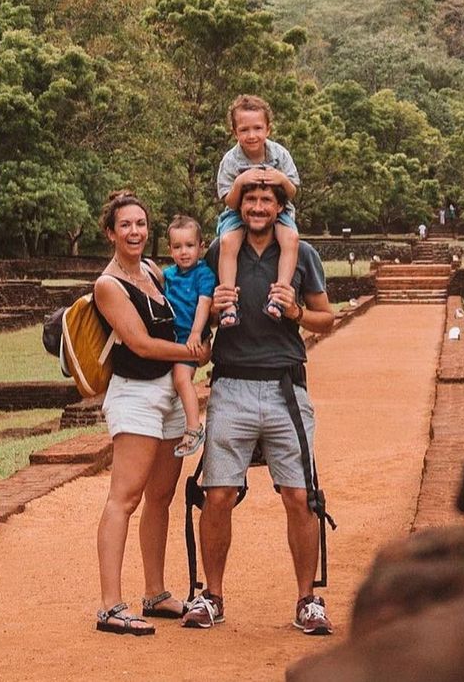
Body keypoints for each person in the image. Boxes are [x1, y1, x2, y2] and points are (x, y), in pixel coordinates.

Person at [182, 179, 336, 636]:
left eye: (267, 199)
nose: (258, 206)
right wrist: (211, 314)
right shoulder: (219, 251)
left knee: (299, 495)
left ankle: (307, 598)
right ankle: (213, 595)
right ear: (239, 204)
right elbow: (199, 314)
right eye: (250, 199)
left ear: (279, 207)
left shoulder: (301, 254)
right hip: (231, 385)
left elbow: (327, 318)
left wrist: (296, 314)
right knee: (218, 493)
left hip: (285, 387)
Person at [93, 190, 211, 637]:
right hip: (135, 395)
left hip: (165, 391)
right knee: (124, 498)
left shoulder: (150, 271)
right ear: (110, 232)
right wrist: (191, 352)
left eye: (140, 223)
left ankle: (156, 592)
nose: (135, 231)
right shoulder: (109, 284)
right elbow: (140, 343)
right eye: (126, 225)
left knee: (160, 496)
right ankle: (109, 606)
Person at [215, 94, 301, 326]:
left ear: (268, 129)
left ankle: (280, 296)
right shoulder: (230, 161)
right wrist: (240, 182)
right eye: (244, 130)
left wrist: (281, 179)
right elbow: (229, 202)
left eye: (257, 128)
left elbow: (292, 191)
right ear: (235, 132)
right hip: (238, 212)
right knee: (227, 242)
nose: (251, 135)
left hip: (278, 210)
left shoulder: (280, 155)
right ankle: (228, 301)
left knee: (291, 239)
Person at [161, 213, 216, 458]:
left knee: (182, 379)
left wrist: (196, 334)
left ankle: (194, 427)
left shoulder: (203, 274)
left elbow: (204, 303)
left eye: (190, 246)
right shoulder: (168, 275)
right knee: (173, 381)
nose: (184, 252)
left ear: (201, 247)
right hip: (170, 337)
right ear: (170, 249)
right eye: (178, 247)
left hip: (189, 338)